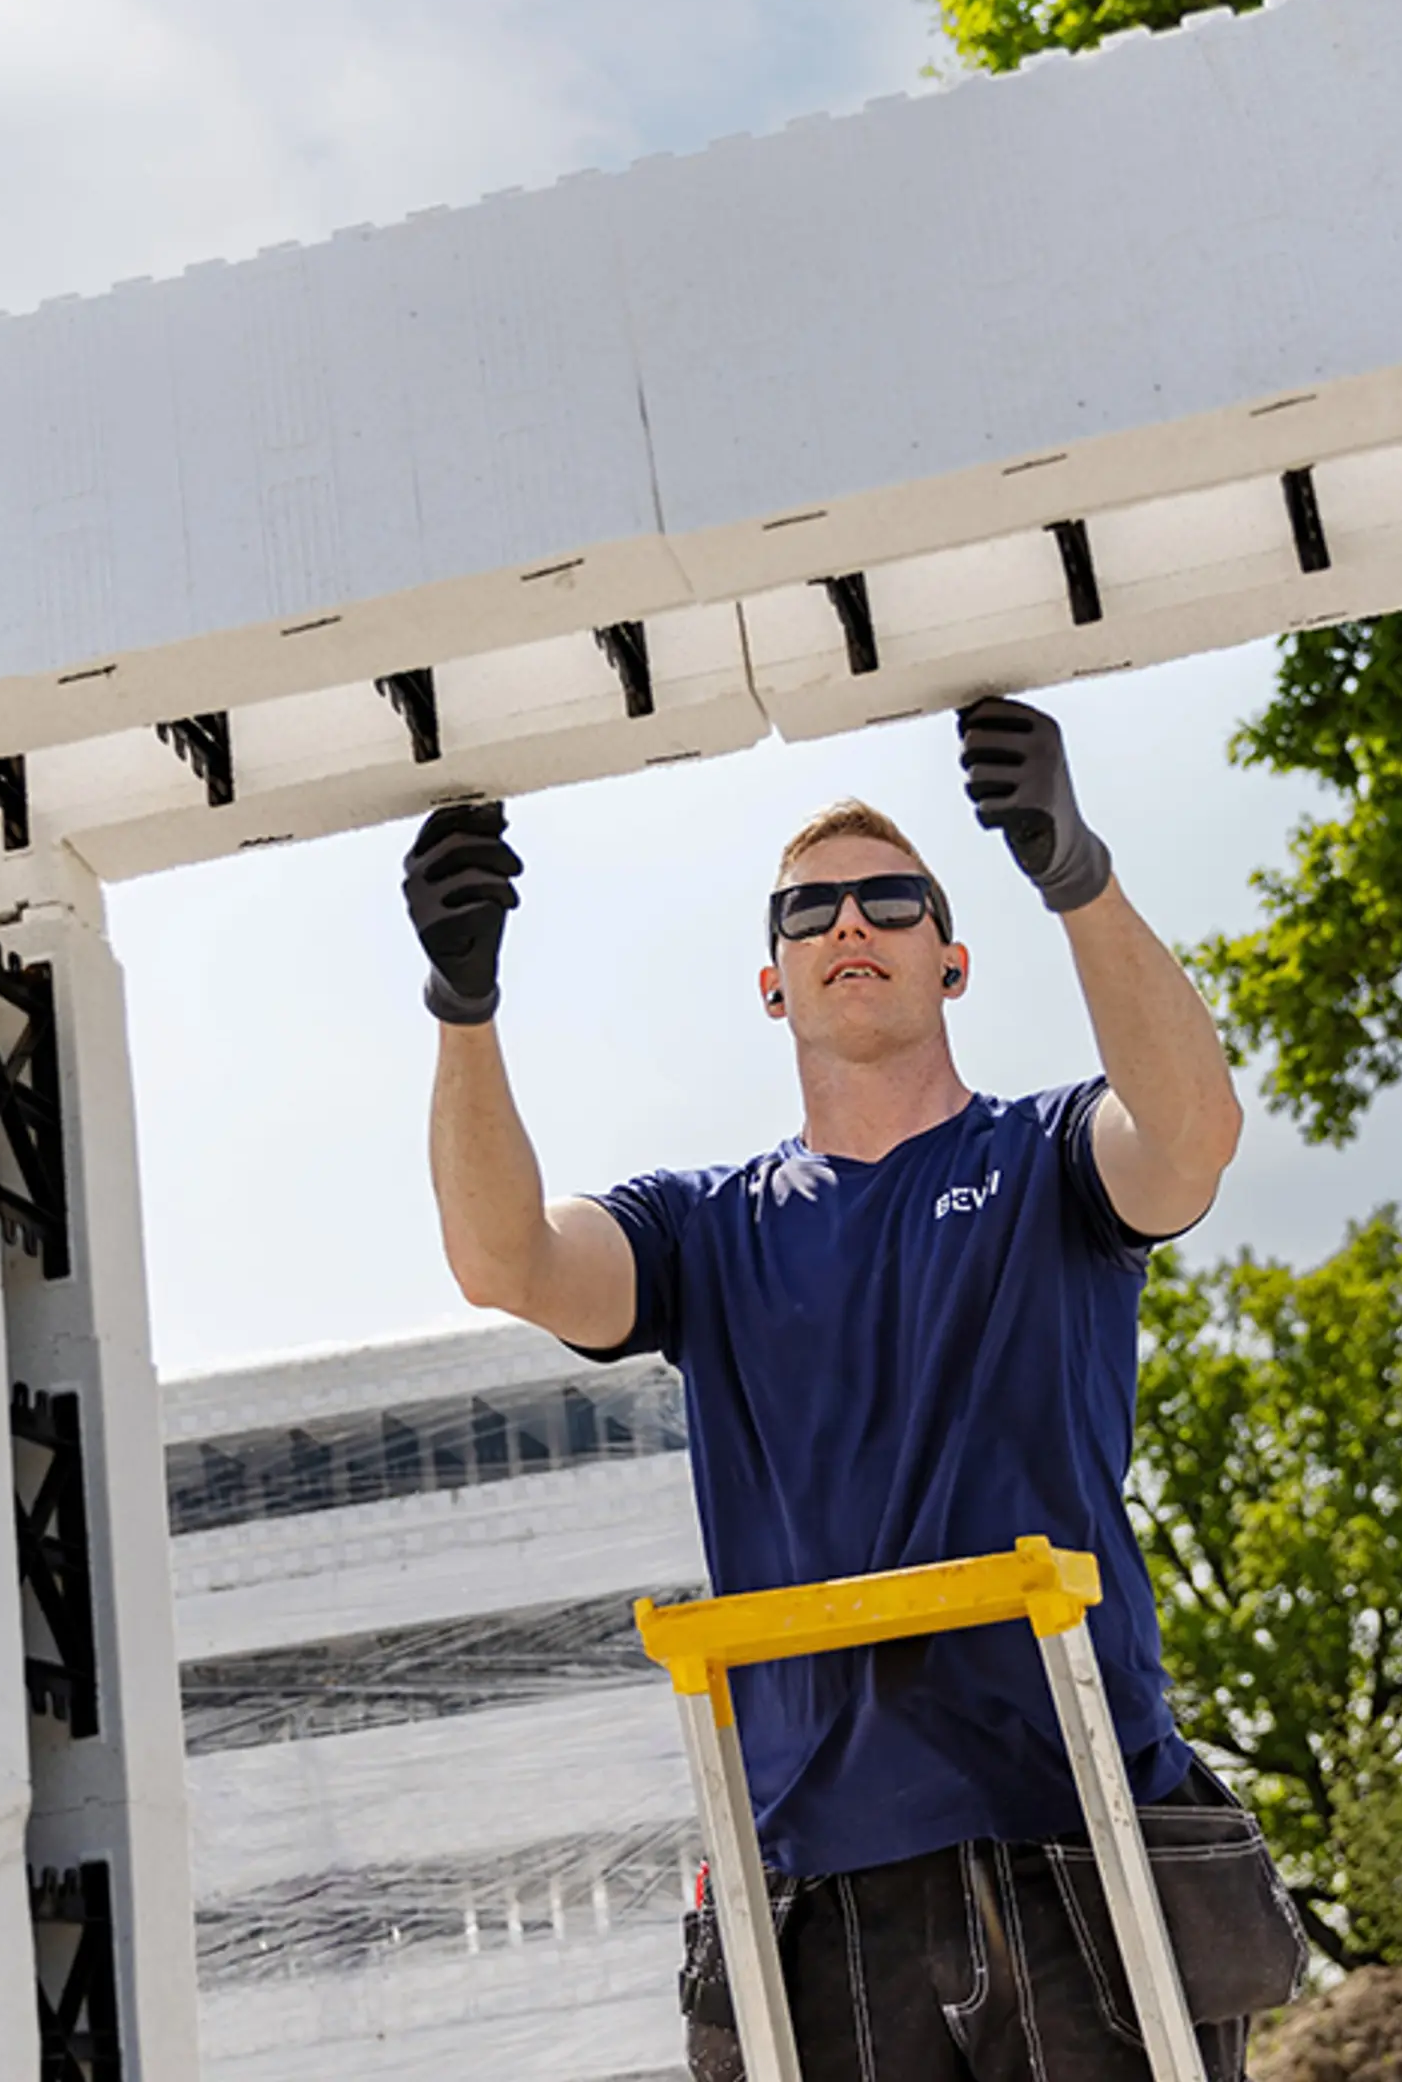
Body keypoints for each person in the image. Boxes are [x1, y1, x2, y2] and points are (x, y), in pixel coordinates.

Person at [403, 695, 1307, 2082]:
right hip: (822, 1888)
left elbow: (1193, 1134)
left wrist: (1078, 872)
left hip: (1080, 1835)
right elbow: (503, 1261)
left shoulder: (1053, 1160)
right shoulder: (706, 1231)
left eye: (892, 902)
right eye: (810, 911)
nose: (849, 927)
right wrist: (464, 1007)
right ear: (771, 982)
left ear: (952, 960)